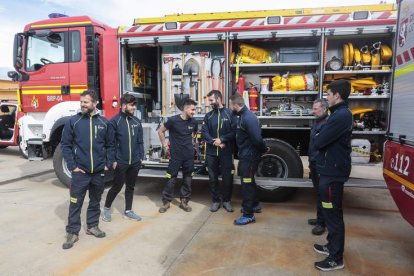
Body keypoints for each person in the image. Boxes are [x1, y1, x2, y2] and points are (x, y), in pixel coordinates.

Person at [61, 90, 114, 250]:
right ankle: (72, 232)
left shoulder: (105, 123)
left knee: (95, 201)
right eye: (81, 101)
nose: (82, 104)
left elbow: (111, 145)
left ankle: (92, 226)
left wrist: (107, 163)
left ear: (95, 103)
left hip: (98, 172)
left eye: (86, 102)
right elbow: (65, 145)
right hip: (80, 172)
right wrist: (72, 166)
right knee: (75, 202)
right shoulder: (74, 121)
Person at [312, 80, 353, 271]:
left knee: (333, 215)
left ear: (337, 95)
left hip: (333, 172)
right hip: (331, 169)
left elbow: (320, 141)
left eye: (328, 94)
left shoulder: (340, 116)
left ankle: (336, 258)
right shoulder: (338, 114)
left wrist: (321, 137)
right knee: (330, 211)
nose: (327, 97)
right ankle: (331, 246)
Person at [102, 94, 144, 222]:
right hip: (121, 162)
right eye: (132, 105)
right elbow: (110, 143)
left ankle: (128, 210)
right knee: (117, 187)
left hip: (135, 162)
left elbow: (140, 141)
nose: (134, 107)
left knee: (130, 187)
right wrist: (113, 160)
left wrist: (140, 157)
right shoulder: (114, 122)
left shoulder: (137, 122)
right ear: (124, 105)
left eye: (134, 105)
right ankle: (106, 209)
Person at [229, 94, 268, 225]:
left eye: (231, 105)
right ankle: (255, 205)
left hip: (249, 157)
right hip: (246, 155)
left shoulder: (248, 118)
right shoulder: (242, 116)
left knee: (247, 184)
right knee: (249, 182)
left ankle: (248, 214)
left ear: (235, 105)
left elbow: (257, 139)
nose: (230, 108)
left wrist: (264, 149)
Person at [158, 99, 198, 213]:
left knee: (188, 179)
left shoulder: (194, 122)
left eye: (194, 109)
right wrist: (164, 145)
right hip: (175, 156)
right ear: (185, 109)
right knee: (171, 179)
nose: (194, 112)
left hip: (189, 157)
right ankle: (166, 202)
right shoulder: (173, 120)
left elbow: (194, 134)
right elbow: (161, 131)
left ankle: (184, 202)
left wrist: (191, 142)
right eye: (192, 109)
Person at [201, 90, 237, 212]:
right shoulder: (208, 115)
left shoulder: (230, 114)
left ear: (219, 99)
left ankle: (227, 201)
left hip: (225, 152)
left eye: (211, 100)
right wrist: (213, 142)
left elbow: (234, 132)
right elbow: (204, 133)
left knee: (227, 178)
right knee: (212, 178)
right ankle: (215, 201)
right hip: (211, 153)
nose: (209, 102)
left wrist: (222, 140)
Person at [308, 99, 329, 236]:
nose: (313, 111)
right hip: (315, 163)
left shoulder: (327, 124)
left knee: (323, 195)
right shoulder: (318, 122)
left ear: (324, 109)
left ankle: (322, 224)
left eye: (315, 109)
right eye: (313, 108)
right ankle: (320, 219)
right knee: (318, 193)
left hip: (321, 164)